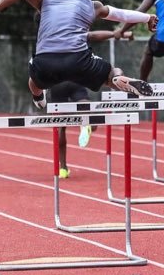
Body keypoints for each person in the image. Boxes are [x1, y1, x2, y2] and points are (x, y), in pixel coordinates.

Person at [0, 0, 158, 110]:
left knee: (33, 80)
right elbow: (120, 14)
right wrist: (147, 17)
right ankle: (117, 79)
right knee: (110, 75)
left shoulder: (47, 0)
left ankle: (38, 97)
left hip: (45, 62)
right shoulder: (91, 4)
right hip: (78, 60)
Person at [51, 29, 135, 179]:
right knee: (83, 101)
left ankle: (63, 168)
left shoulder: (47, 36)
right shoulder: (72, 28)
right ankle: (87, 121)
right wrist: (119, 33)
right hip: (77, 75)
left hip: (58, 80)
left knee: (60, 125)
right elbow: (94, 35)